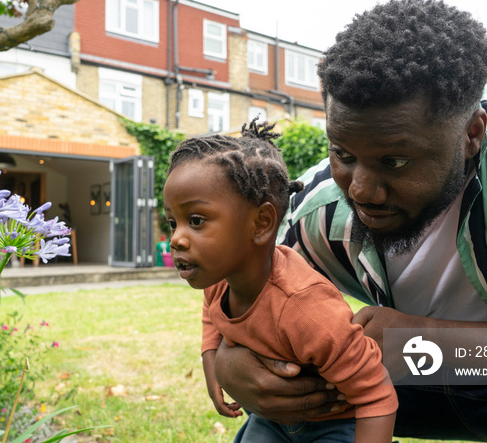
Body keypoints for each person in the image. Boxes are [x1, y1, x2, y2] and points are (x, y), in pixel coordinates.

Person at [208, 0, 487, 443]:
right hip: (382, 386)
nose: (360, 190)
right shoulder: (315, 207)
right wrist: (233, 364)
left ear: (471, 133)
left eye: (395, 161)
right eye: (342, 153)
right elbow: (239, 301)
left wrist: (427, 345)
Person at [163, 120, 398, 442]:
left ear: (261, 223)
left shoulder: (304, 308)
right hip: (271, 420)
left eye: (196, 221)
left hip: (336, 424)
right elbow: (211, 318)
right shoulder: (219, 282)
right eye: (172, 222)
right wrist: (213, 371)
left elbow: (376, 394)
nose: (176, 238)